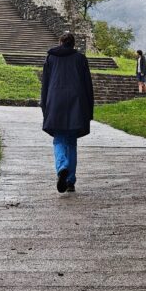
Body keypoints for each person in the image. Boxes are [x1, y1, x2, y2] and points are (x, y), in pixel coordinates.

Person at [41, 31, 94, 193]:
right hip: (76, 103)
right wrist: (89, 109)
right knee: (71, 142)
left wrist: (44, 105)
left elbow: (45, 84)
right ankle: (70, 180)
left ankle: (62, 166)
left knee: (59, 140)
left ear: (60, 42)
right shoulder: (80, 59)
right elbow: (87, 86)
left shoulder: (50, 58)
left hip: (55, 101)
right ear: (73, 43)